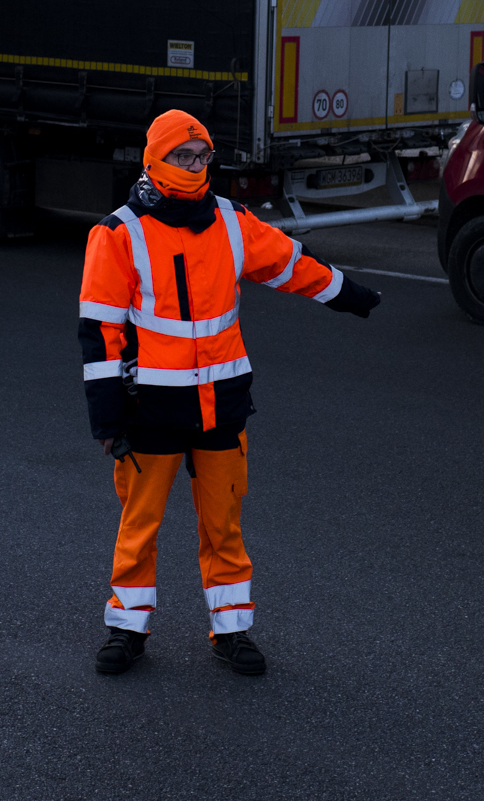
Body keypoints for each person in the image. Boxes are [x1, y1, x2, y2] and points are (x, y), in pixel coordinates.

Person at [76, 109, 381, 675]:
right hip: (151, 409)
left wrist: (349, 294)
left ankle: (232, 632)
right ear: (155, 160)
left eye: (201, 156)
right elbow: (99, 333)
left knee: (224, 525)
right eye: (182, 157)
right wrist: (107, 421)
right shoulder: (118, 233)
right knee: (140, 524)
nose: (195, 166)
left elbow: (292, 264)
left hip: (222, 404)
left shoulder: (231, 221)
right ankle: (126, 630)